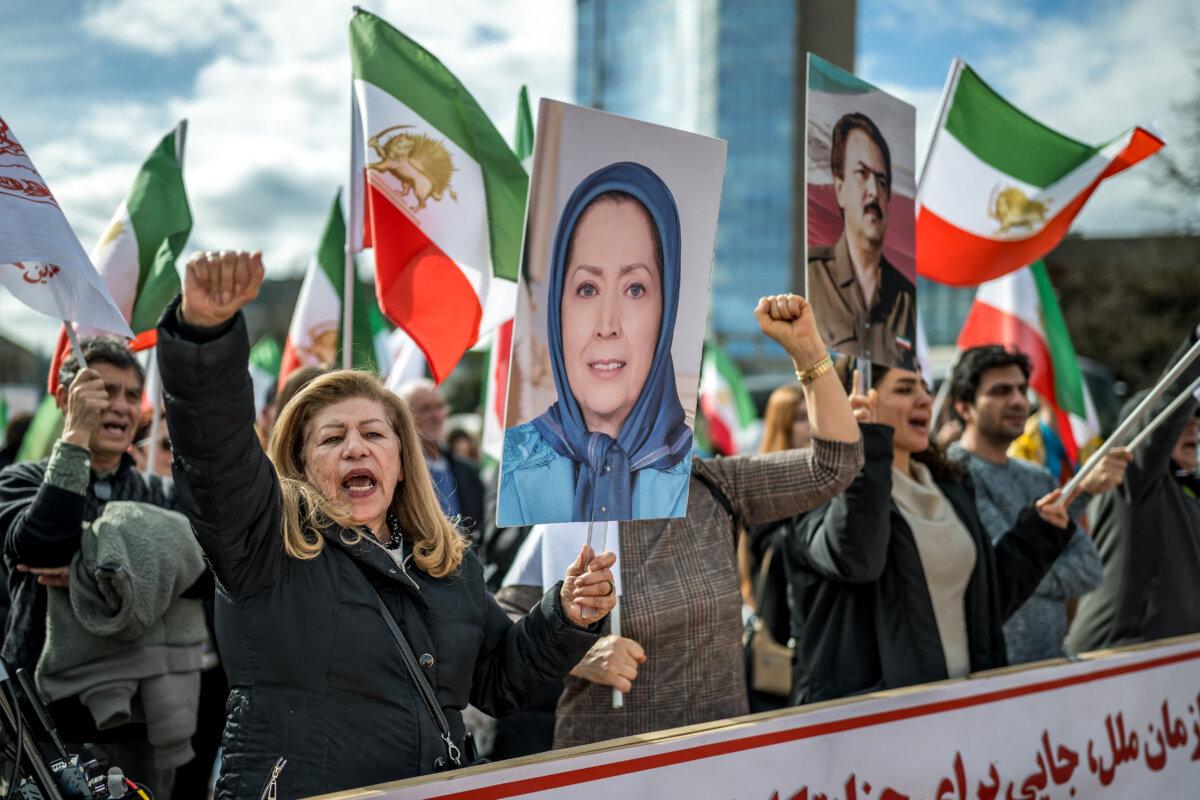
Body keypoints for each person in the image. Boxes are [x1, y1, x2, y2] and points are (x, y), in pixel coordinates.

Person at [158, 250, 617, 799]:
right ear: (301, 465)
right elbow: (216, 455)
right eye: (332, 438)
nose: (356, 446)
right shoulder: (265, 543)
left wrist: (564, 613)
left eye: (374, 434)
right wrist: (204, 337)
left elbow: (497, 679)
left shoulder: (446, 564)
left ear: (401, 463)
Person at [539, 294, 863, 747]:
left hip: (717, 759)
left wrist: (808, 351)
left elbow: (835, 465)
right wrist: (580, 655)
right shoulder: (564, 500)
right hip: (607, 764)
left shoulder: (714, 484)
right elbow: (508, 619)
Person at [781, 360, 1076, 705]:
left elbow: (983, 605)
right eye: (905, 389)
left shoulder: (949, 485)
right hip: (875, 723)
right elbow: (857, 557)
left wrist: (1036, 535)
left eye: (926, 388)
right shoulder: (815, 490)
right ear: (856, 401)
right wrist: (862, 441)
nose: (925, 399)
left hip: (960, 710)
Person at [0, 336, 181, 793]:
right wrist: (76, 438)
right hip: (48, 727)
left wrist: (91, 565)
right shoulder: (19, 481)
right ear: (65, 399)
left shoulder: (158, 494)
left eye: (129, 394)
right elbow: (40, 548)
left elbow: (198, 573)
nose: (119, 406)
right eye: (101, 391)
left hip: (147, 724)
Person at [500, 162, 693, 526]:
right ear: (559, 310)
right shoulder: (509, 465)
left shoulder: (700, 480)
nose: (607, 326)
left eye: (634, 289)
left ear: (666, 311)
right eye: (587, 289)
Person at [945, 345, 1130, 664]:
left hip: (1051, 665)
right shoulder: (955, 474)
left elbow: (1088, 570)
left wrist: (1036, 569)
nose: (1018, 401)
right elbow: (1001, 575)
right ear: (965, 407)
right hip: (997, 673)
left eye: (1021, 389)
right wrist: (1044, 570)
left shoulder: (1039, 478)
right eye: (1001, 391)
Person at [1067, 328, 1200, 654]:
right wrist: (1196, 344)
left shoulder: (1190, 489)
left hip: (1170, 660)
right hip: (1117, 656)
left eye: (1198, 420)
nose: (1194, 426)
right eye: (1184, 421)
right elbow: (1163, 414)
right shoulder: (1135, 482)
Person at [807, 113, 916, 370]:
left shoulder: (906, 299)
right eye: (861, 174)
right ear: (839, 188)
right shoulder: (813, 277)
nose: (873, 191)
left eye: (881, 180)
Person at [741, 384, 813, 712]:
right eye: (800, 417)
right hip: (780, 640)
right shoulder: (760, 492)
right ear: (782, 426)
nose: (811, 424)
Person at [397, 379, 485, 540]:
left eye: (440, 406)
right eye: (426, 408)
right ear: (406, 417)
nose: (436, 415)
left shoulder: (467, 470)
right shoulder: (397, 472)